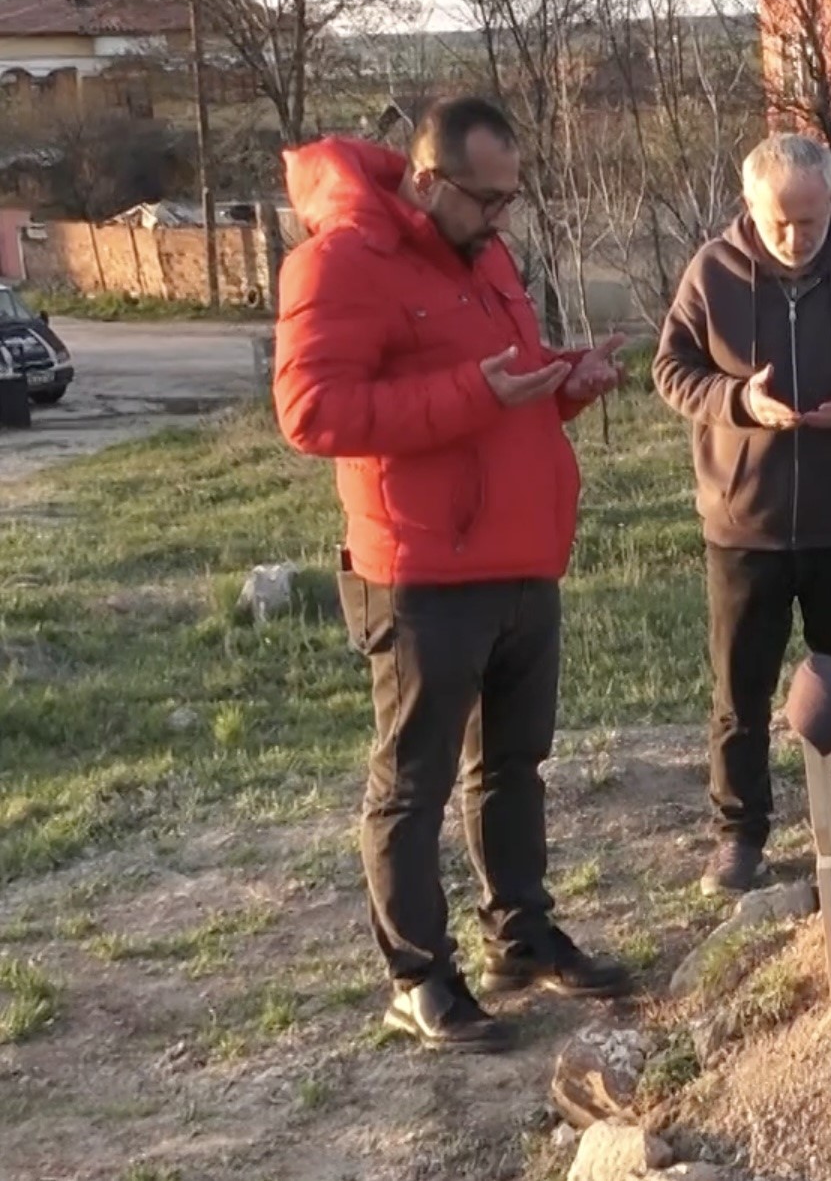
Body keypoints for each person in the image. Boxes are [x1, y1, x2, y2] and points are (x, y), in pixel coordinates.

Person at [273, 96, 633, 1053]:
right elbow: (310, 411)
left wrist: (566, 380)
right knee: (414, 783)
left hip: (521, 558)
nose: (502, 218)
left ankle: (521, 936)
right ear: (428, 182)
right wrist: (474, 392)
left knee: (513, 765)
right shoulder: (340, 261)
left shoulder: (486, 252)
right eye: (487, 199)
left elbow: (505, 387)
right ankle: (418, 975)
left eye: (512, 197)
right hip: (421, 571)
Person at [652, 135, 831, 895]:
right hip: (746, 523)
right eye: (778, 221)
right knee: (740, 692)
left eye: (809, 220)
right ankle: (739, 838)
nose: (795, 236)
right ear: (749, 206)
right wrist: (738, 401)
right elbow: (671, 369)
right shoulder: (712, 271)